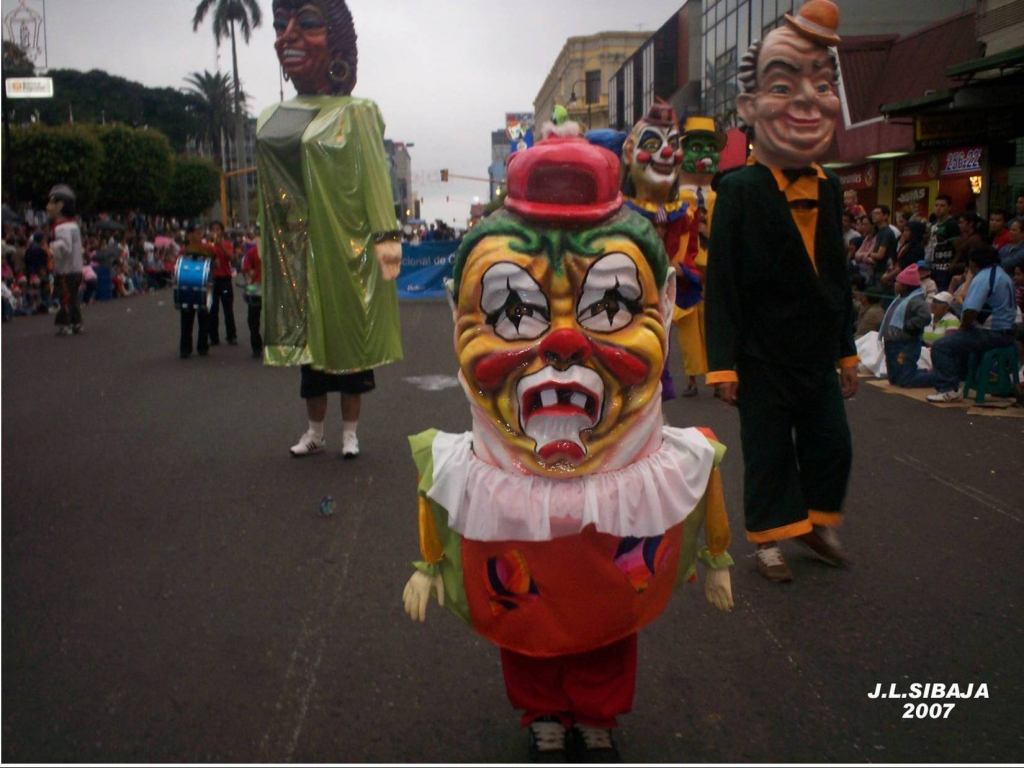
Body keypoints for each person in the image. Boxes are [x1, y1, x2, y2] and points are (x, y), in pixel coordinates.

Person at [401, 134, 734, 763]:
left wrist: (714, 555)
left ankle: (597, 712)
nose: (564, 343)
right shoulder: (480, 479)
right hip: (512, 492)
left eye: (610, 304)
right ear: (458, 313)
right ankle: (543, 710)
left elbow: (704, 478)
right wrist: (428, 564)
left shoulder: (658, 469)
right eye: (511, 308)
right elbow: (434, 494)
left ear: (661, 310)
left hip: (618, 490)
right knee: (522, 614)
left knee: (609, 608)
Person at [705, 0, 856, 584]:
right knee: (768, 452)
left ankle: (816, 523)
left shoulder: (832, 186)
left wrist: (846, 352)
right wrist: (723, 366)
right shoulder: (738, 190)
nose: (807, 99)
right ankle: (769, 538)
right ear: (750, 106)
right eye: (784, 83)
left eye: (822, 84)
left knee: (831, 445)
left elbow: (838, 274)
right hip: (763, 353)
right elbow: (721, 286)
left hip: (817, 351)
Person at [259, 0, 403, 460]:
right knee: (312, 364)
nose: (287, 36)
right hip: (302, 263)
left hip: (352, 259)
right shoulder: (274, 117)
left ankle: (349, 434)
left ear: (337, 41)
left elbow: (379, 188)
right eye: (281, 25)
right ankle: (315, 432)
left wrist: (388, 257)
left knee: (352, 357)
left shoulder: (357, 112)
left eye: (308, 24)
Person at [928, 244, 1018, 402]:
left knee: (941, 346)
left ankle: (948, 388)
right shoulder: (1003, 275)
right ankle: (962, 381)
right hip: (1005, 331)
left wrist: (962, 328)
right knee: (960, 342)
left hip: (992, 333)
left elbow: (970, 311)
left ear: (974, 263)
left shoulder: (983, 277)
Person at [880, 264, 935, 388]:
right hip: (892, 343)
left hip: (906, 344)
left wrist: (909, 326)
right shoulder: (900, 298)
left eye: (898, 282)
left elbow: (925, 316)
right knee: (894, 379)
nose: (895, 284)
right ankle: (924, 372)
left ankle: (939, 376)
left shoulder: (916, 300)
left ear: (905, 286)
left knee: (905, 380)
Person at [46, 185, 84, 336]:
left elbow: (65, 247)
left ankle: (65, 323)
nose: (48, 207)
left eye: (51, 203)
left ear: (60, 205)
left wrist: (52, 247)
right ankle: (77, 322)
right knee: (73, 297)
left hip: (66, 270)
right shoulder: (74, 226)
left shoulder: (61, 228)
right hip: (76, 268)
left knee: (65, 297)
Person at [206, 221, 237, 346]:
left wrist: (220, 246)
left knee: (228, 308)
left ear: (221, 231)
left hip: (225, 278)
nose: (215, 231)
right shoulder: (208, 246)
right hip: (212, 280)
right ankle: (213, 337)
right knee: (212, 309)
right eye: (213, 229)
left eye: (217, 229)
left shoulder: (227, 244)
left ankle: (231, 335)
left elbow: (231, 258)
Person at [928, 194, 960, 291]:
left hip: (945, 266)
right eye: (936, 205)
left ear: (949, 207)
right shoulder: (933, 224)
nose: (938, 208)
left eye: (942, 206)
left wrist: (953, 264)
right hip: (933, 266)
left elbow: (958, 247)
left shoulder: (951, 224)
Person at [241, 232, 263, 358]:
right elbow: (247, 270)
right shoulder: (252, 252)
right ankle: (256, 346)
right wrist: (250, 274)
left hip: (271, 287)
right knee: (253, 320)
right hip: (256, 288)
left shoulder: (276, 251)